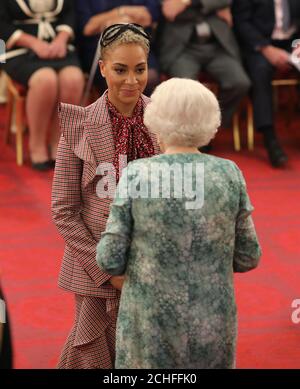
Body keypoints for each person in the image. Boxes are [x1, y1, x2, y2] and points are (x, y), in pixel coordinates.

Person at [97, 77, 262, 369]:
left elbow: (109, 258)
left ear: (156, 120)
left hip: (149, 323)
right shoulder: (229, 173)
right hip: (212, 319)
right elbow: (248, 256)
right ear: (210, 122)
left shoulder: (137, 174)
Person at [51, 23, 160, 369]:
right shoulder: (78, 125)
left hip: (152, 263)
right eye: (120, 69)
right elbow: (64, 211)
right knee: (93, 348)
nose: (132, 80)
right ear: (101, 67)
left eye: (140, 69)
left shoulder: (163, 118)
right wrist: (107, 270)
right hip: (94, 265)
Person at [0, 0, 85, 171]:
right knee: (45, 80)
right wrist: (33, 43)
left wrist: (62, 38)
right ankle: (36, 145)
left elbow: (71, 13)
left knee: (73, 79)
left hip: (58, 46)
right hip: (18, 49)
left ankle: (59, 144)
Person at [154, 0, 251, 128]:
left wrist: (186, 2)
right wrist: (211, 8)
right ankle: (195, 132)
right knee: (186, 90)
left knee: (239, 83)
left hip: (217, 46)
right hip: (183, 49)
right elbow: (169, 10)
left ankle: (210, 126)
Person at [232, 0, 300, 167]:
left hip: (292, 43)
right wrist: (265, 48)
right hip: (259, 45)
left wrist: (297, 46)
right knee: (260, 70)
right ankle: (270, 139)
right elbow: (241, 22)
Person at [75, 0, 161, 95]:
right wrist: (120, 11)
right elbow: (88, 27)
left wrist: (107, 19)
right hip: (101, 47)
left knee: (150, 76)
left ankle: (139, 108)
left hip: (137, 44)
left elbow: (147, 17)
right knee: (116, 77)